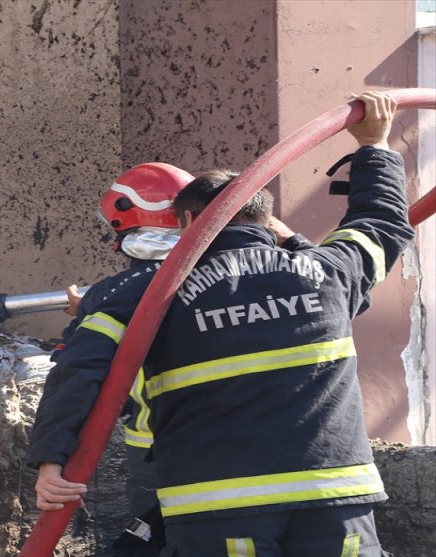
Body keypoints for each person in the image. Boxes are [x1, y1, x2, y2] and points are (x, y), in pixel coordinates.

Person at [27, 91, 410, 557]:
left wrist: (51, 460)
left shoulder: (140, 294)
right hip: (334, 503)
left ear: (185, 221)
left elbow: (77, 371)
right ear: (268, 218)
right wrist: (374, 147)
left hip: (217, 509)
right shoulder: (329, 272)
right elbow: (382, 223)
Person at [57, 164, 315, 518]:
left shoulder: (118, 293)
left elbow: (74, 369)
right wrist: (293, 241)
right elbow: (343, 273)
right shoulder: (264, 275)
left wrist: (86, 314)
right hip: (283, 453)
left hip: (162, 450)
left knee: (164, 555)